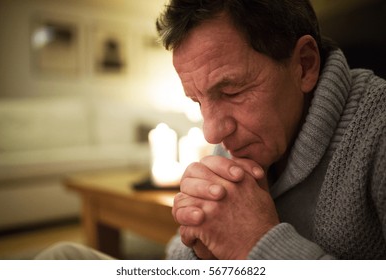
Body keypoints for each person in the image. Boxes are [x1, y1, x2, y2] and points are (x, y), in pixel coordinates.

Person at [35, 0, 385, 260]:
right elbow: (177, 258)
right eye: (198, 101)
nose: (213, 133)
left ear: (304, 65)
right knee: (61, 258)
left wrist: (256, 244)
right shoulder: (239, 138)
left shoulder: (378, 130)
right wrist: (201, 247)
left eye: (231, 91)